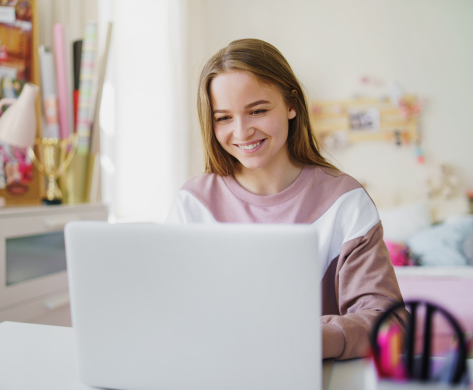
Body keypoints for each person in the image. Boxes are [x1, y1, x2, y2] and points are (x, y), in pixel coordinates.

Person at [166, 38, 408, 360]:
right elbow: (171, 313)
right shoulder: (193, 204)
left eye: (258, 111)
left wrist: (316, 339)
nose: (241, 132)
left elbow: (390, 324)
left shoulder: (345, 201)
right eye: (223, 117)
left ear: (291, 104)